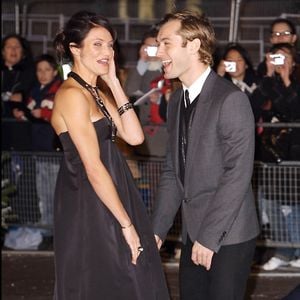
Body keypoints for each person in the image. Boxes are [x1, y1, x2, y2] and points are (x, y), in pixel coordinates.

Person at [51, 11, 169, 299]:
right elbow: (92, 166)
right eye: (97, 44)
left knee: (133, 275)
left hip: (112, 191)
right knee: (107, 278)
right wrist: (126, 224)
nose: (107, 52)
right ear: (74, 49)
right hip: (89, 200)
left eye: (110, 45)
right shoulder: (71, 95)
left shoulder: (95, 91)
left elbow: (134, 136)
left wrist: (114, 82)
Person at [152, 10, 260, 300]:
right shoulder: (176, 100)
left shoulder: (231, 99)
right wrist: (157, 231)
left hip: (229, 234)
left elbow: (237, 175)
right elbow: (173, 172)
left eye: (166, 43)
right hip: (192, 232)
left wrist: (209, 238)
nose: (158, 51)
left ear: (194, 45)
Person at [251, 43, 300, 271]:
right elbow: (255, 105)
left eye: (285, 58)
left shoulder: (296, 81)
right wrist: (269, 75)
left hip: (294, 151)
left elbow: (294, 110)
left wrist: (288, 79)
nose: (280, 62)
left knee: (293, 204)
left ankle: (297, 249)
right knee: (270, 202)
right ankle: (283, 250)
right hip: (270, 151)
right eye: (276, 58)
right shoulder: (267, 80)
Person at [124, 26, 162, 124]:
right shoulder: (139, 69)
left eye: (155, 47)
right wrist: (142, 61)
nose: (152, 51)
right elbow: (130, 90)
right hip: (143, 123)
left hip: (164, 125)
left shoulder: (169, 69)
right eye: (148, 47)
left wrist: (161, 99)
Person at [1, 33, 36, 118]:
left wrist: (23, 96)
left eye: (17, 47)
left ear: (23, 52)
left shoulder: (32, 72)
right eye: (9, 47)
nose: (13, 50)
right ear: (3, 52)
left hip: (19, 120)